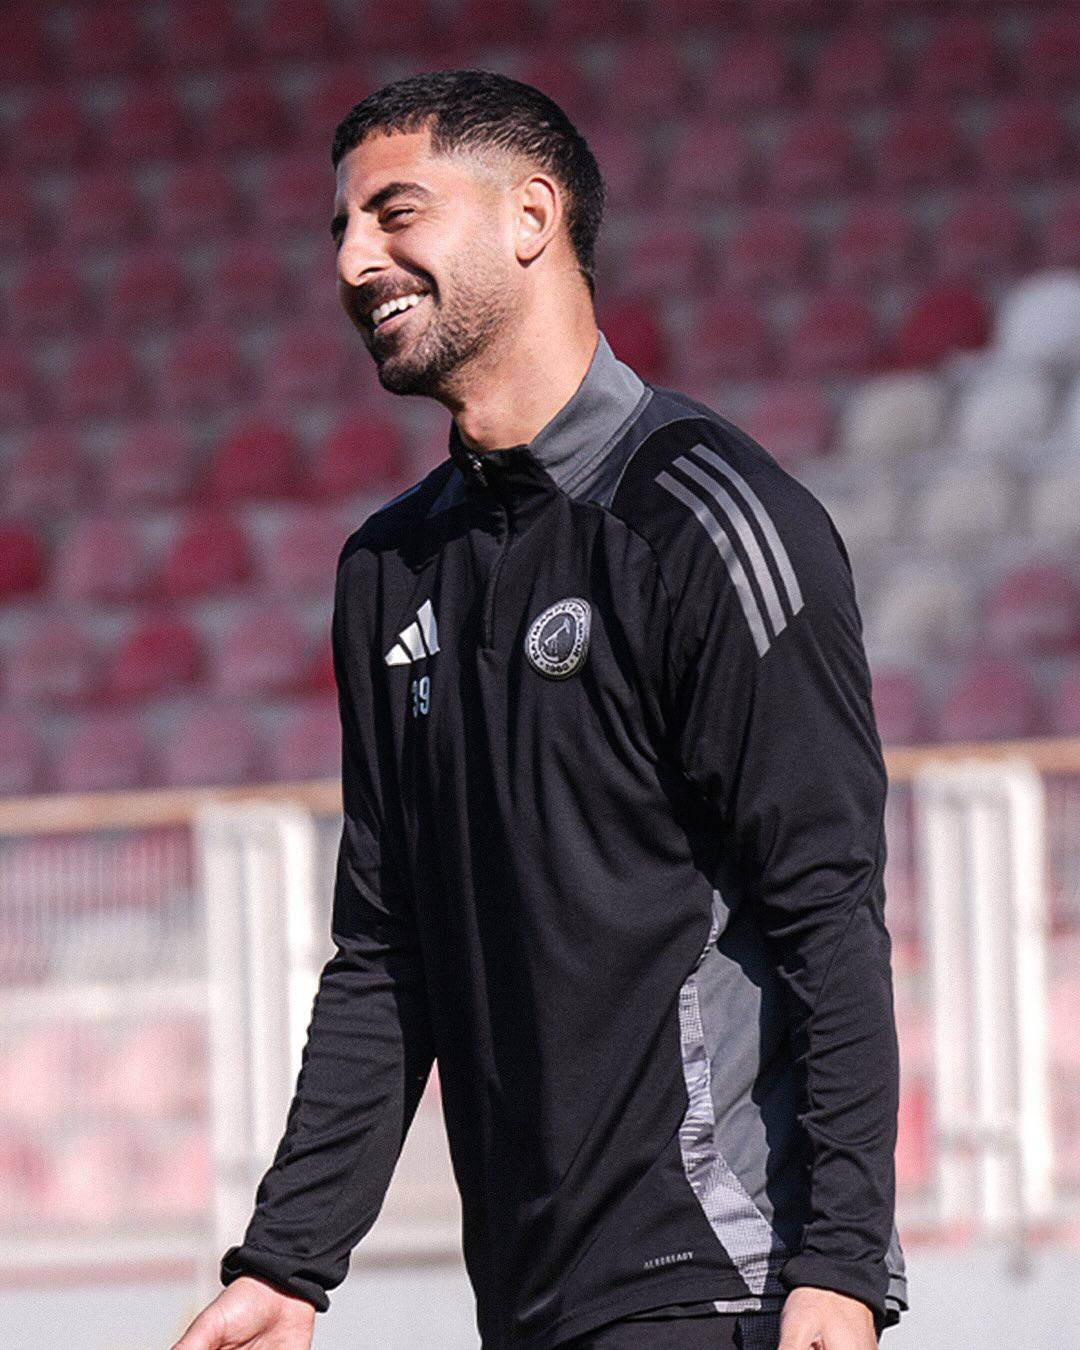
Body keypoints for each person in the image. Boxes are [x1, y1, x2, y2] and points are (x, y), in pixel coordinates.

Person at [172, 70, 907, 1350]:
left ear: (531, 216)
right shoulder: (388, 567)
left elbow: (827, 907)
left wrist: (840, 1262)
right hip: (523, 1304)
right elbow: (387, 948)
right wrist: (288, 1261)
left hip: (721, 1278)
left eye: (395, 213)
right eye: (340, 229)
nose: (354, 260)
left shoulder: (710, 522)